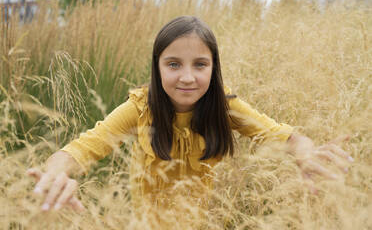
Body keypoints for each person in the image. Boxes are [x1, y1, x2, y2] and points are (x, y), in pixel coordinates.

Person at [27, 15, 353, 213]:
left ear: (214, 68)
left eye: (200, 64)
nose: (187, 77)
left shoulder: (224, 108)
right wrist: (56, 172)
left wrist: (307, 152)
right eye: (173, 64)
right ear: (157, 67)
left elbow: (282, 135)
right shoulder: (140, 109)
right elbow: (83, 147)